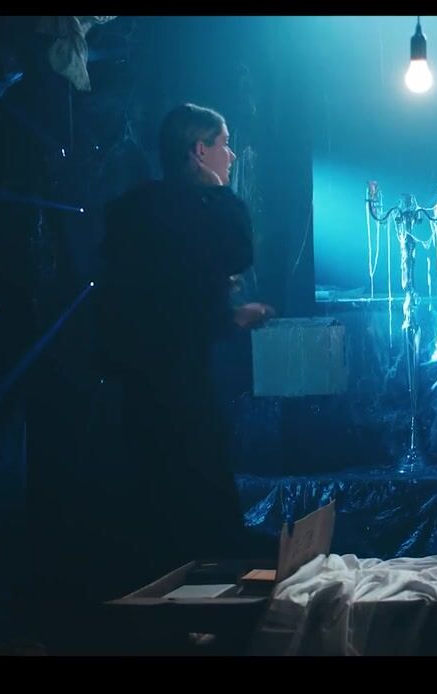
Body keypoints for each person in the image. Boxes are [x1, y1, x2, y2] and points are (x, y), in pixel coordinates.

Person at [97, 103, 274, 575]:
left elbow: (169, 298)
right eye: (224, 145)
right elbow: (238, 250)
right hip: (177, 386)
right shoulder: (196, 210)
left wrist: (225, 315)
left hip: (143, 386)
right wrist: (219, 191)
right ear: (199, 151)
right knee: (195, 498)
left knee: (166, 500)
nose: (231, 156)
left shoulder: (137, 209)